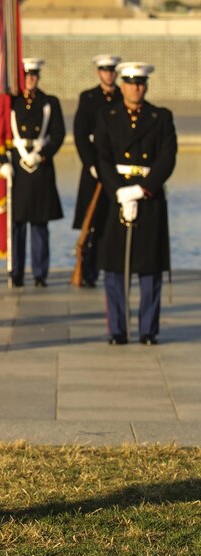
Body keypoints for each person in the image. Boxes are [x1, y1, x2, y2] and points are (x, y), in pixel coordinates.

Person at [95, 61, 177, 345]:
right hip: (116, 198)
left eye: (140, 83)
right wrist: (120, 192)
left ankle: (148, 329)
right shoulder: (108, 116)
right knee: (115, 267)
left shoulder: (161, 117)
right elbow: (101, 157)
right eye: (130, 83)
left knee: (150, 268)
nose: (136, 88)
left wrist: (143, 190)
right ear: (122, 85)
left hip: (148, 199)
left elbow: (167, 158)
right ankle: (118, 329)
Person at [6, 58, 65, 288]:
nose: (30, 79)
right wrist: (4, 161)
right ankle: (16, 272)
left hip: (41, 168)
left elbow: (58, 134)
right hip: (18, 169)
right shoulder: (11, 102)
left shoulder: (49, 102)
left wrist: (43, 155)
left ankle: (40, 273)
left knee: (40, 224)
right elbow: (0, 133)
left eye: (34, 75)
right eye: (27, 75)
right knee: (17, 224)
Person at [72, 54, 122, 287]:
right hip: (94, 169)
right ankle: (88, 270)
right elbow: (80, 134)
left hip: (116, 167)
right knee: (91, 222)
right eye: (105, 70)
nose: (109, 74)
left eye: (112, 70)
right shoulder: (88, 98)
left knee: (113, 219)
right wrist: (90, 164)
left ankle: (111, 267)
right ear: (98, 72)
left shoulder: (124, 96)